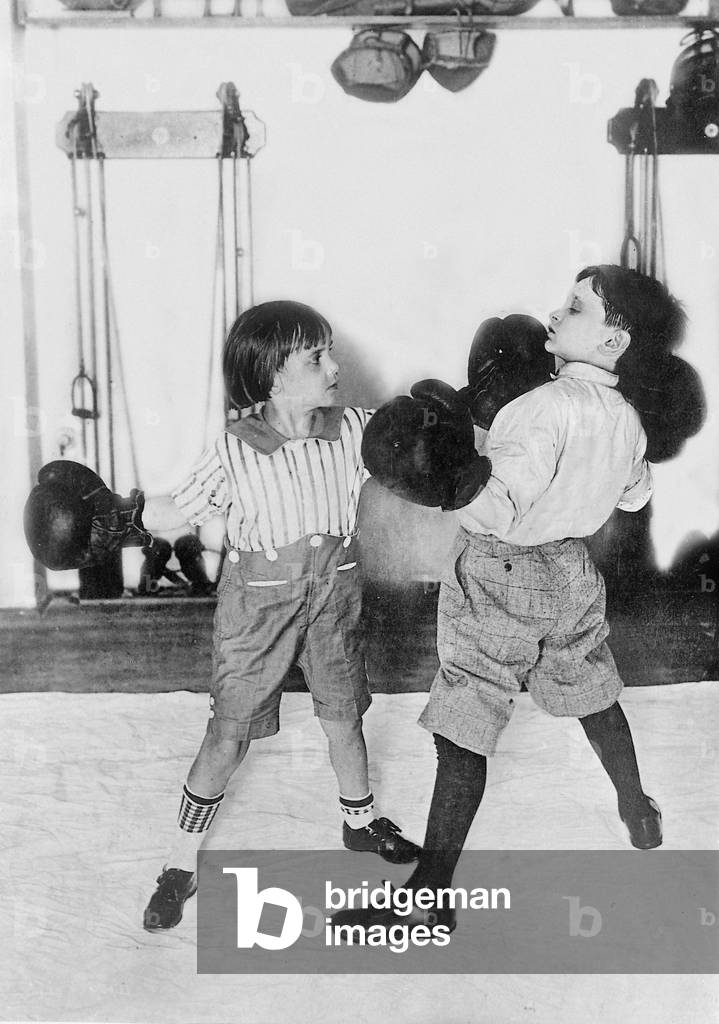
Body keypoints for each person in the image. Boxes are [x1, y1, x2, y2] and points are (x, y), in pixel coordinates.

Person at [335, 265, 699, 936]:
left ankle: (429, 897)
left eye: (574, 308)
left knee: (463, 720)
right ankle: (636, 808)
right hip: (571, 571)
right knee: (591, 688)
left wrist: (449, 476)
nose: (554, 316)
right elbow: (634, 495)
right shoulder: (624, 417)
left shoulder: (535, 410)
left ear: (612, 341)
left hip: (500, 573)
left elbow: (492, 511)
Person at [143, 300, 420, 932]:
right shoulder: (235, 450)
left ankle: (359, 820)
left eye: (330, 350)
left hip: (334, 595)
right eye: (315, 356)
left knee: (345, 716)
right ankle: (179, 862)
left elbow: (414, 435)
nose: (334, 365)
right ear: (271, 376)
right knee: (228, 733)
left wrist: (456, 412)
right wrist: (120, 517)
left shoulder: (354, 428)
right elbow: (176, 513)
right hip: (258, 605)